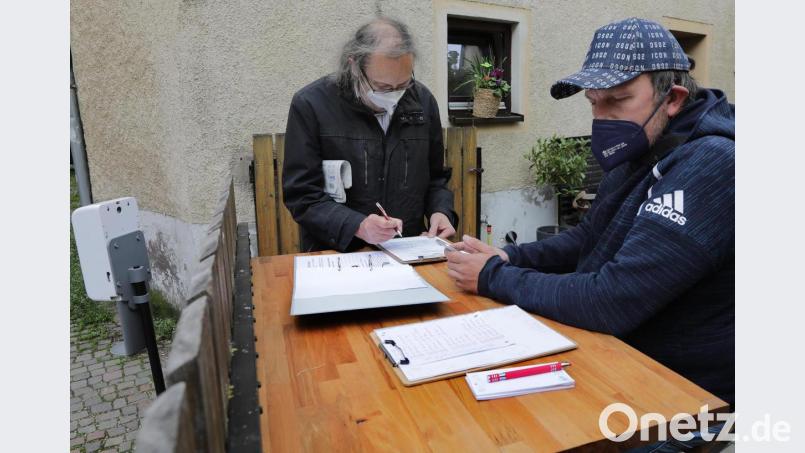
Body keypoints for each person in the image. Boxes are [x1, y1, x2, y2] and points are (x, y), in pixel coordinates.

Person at [445, 17, 735, 408]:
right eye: (594, 102)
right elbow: (588, 236)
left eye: (618, 100)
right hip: (617, 363)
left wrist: (494, 276)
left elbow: (613, 299)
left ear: (673, 98)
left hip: (679, 398)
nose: (602, 119)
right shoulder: (644, 144)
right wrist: (509, 255)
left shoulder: (714, 164)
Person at [282, 17, 457, 252]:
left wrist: (440, 211)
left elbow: (436, 178)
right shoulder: (311, 104)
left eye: (403, 84)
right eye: (383, 87)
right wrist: (358, 225)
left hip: (407, 249)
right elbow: (302, 195)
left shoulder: (423, 101)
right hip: (338, 253)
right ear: (354, 66)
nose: (394, 95)